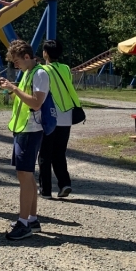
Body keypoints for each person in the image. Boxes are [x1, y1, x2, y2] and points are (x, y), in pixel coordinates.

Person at [0, 39, 49, 241]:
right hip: (23, 128)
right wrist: (13, 88)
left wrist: (14, 89)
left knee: (24, 177)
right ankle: (32, 219)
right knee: (27, 177)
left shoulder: (40, 73)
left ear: (27, 57)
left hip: (31, 129)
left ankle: (24, 222)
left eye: (17, 61)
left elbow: (36, 103)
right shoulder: (29, 72)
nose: (15, 65)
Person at [39, 40, 79, 199]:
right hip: (67, 116)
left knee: (44, 154)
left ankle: (45, 190)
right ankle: (64, 183)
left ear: (45, 53)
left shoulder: (42, 70)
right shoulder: (66, 68)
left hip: (50, 117)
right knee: (59, 153)